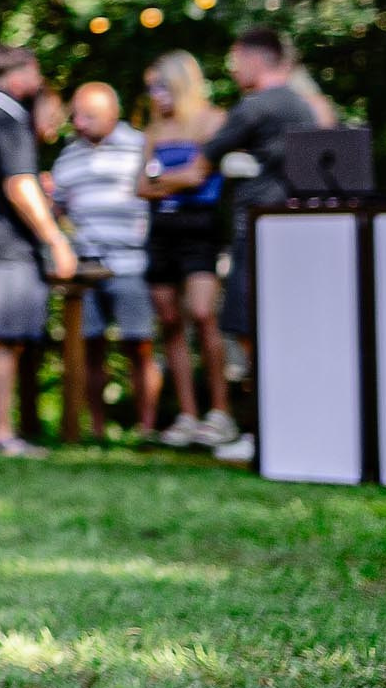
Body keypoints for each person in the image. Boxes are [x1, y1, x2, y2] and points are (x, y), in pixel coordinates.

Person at [144, 27, 327, 465]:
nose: (230, 68)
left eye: (235, 59)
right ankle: (283, 426)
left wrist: (150, 183)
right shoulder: (303, 104)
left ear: (253, 59)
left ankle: (259, 430)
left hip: (258, 227)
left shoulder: (256, 107)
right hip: (299, 229)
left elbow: (194, 172)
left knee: (248, 328)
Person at [0, 45, 77, 458]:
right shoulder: (6, 118)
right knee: (3, 341)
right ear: (17, 73)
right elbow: (20, 185)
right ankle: (1, 433)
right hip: (7, 245)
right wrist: (55, 238)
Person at [49, 83, 157, 438]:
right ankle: (95, 428)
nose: (79, 123)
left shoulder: (140, 146)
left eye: (89, 116)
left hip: (130, 262)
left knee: (138, 344)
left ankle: (147, 428)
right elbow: (57, 208)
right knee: (90, 348)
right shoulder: (69, 156)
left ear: (113, 113)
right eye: (76, 115)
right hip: (85, 266)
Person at [138, 52, 233, 449]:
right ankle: (188, 414)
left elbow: (201, 175)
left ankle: (221, 411)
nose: (155, 95)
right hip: (162, 232)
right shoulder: (154, 131)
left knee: (202, 314)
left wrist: (164, 179)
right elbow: (141, 187)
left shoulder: (214, 121)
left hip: (201, 231)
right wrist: (178, 180)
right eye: (151, 89)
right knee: (170, 322)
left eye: (161, 86)